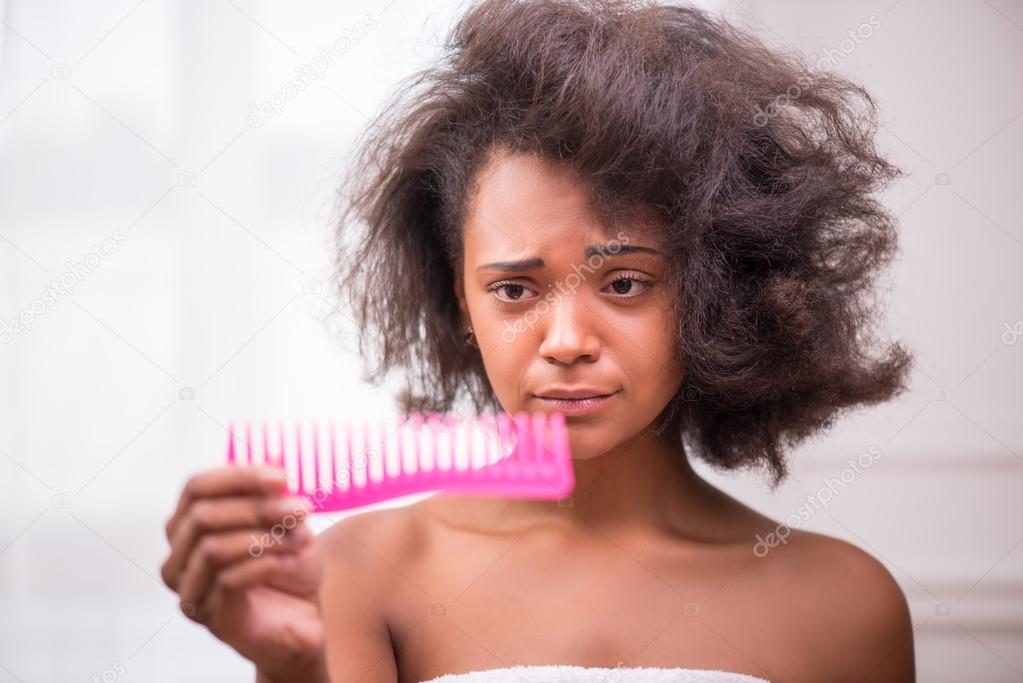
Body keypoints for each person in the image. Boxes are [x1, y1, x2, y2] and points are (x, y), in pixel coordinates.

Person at [161, 0, 917, 680]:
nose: (564, 340)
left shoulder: (843, 605)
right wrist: (290, 666)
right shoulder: (361, 571)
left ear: (715, 292)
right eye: (514, 290)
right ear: (458, 298)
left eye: (623, 282)